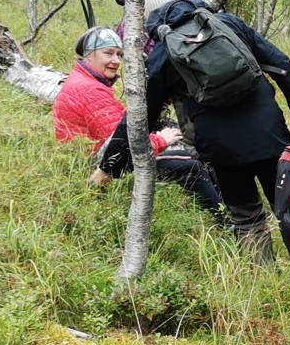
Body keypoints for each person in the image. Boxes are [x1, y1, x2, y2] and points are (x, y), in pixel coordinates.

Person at [142, 0, 290, 262]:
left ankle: (264, 282)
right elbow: (282, 65)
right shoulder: (227, 24)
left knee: (247, 218)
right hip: (269, 132)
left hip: (220, 149)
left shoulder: (162, 54)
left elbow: (145, 113)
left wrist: (136, 150)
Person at [52, 25, 222, 214]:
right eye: (108, 53)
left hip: (90, 158)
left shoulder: (83, 80)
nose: (116, 61)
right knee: (193, 165)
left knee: (188, 157)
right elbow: (121, 146)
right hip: (99, 168)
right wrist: (161, 140)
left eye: (119, 55)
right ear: (89, 55)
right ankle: (227, 223)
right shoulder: (90, 90)